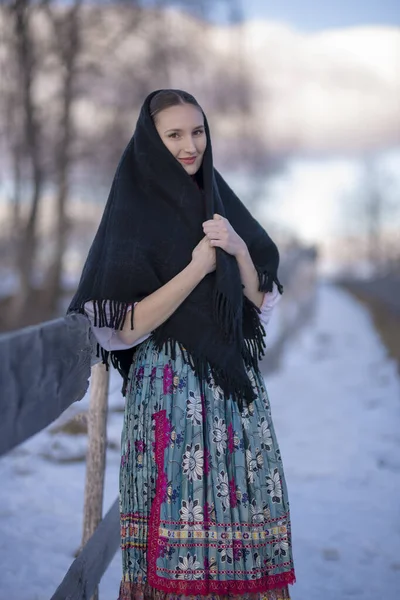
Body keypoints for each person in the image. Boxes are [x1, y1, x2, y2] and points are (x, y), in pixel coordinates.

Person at [68, 89, 295, 600]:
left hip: (236, 398)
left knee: (243, 523)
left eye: (197, 131)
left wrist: (236, 249)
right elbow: (120, 327)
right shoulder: (134, 208)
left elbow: (262, 299)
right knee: (175, 530)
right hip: (170, 394)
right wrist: (196, 269)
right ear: (152, 141)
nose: (190, 145)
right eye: (174, 135)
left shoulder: (216, 196)